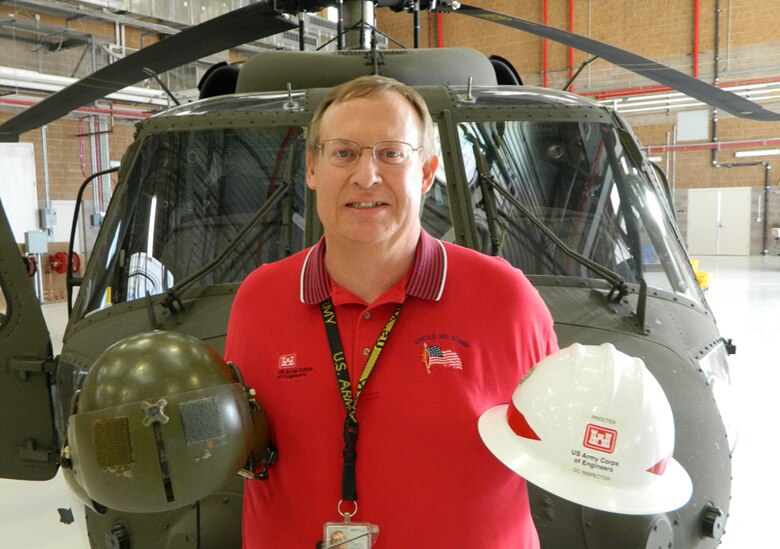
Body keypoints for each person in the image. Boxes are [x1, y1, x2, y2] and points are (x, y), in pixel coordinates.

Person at [225, 75, 558, 548]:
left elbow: (558, 439)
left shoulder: (506, 299)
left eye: (391, 153)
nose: (366, 176)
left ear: (426, 172)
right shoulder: (258, 301)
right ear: (312, 169)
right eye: (344, 153)